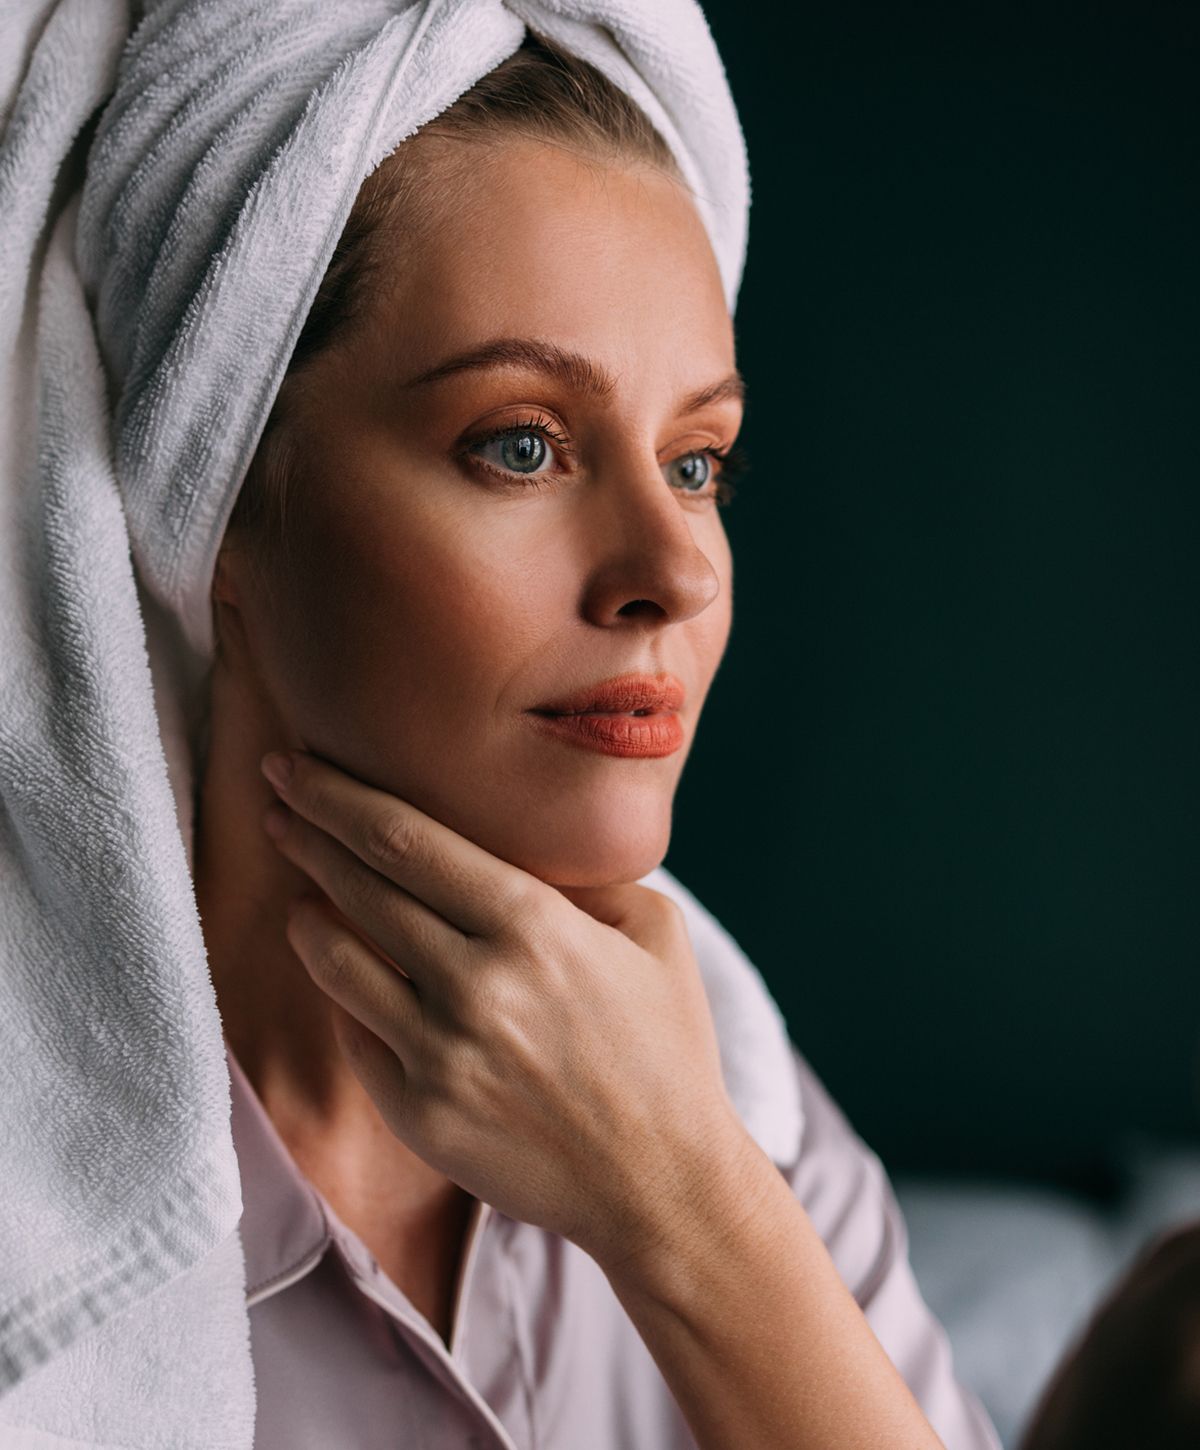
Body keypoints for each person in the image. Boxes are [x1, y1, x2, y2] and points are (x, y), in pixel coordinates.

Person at [187, 27, 999, 1450]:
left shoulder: (746, 1124)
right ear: (216, 507)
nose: (674, 570)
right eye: (521, 443)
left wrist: (691, 1209)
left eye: (697, 463)